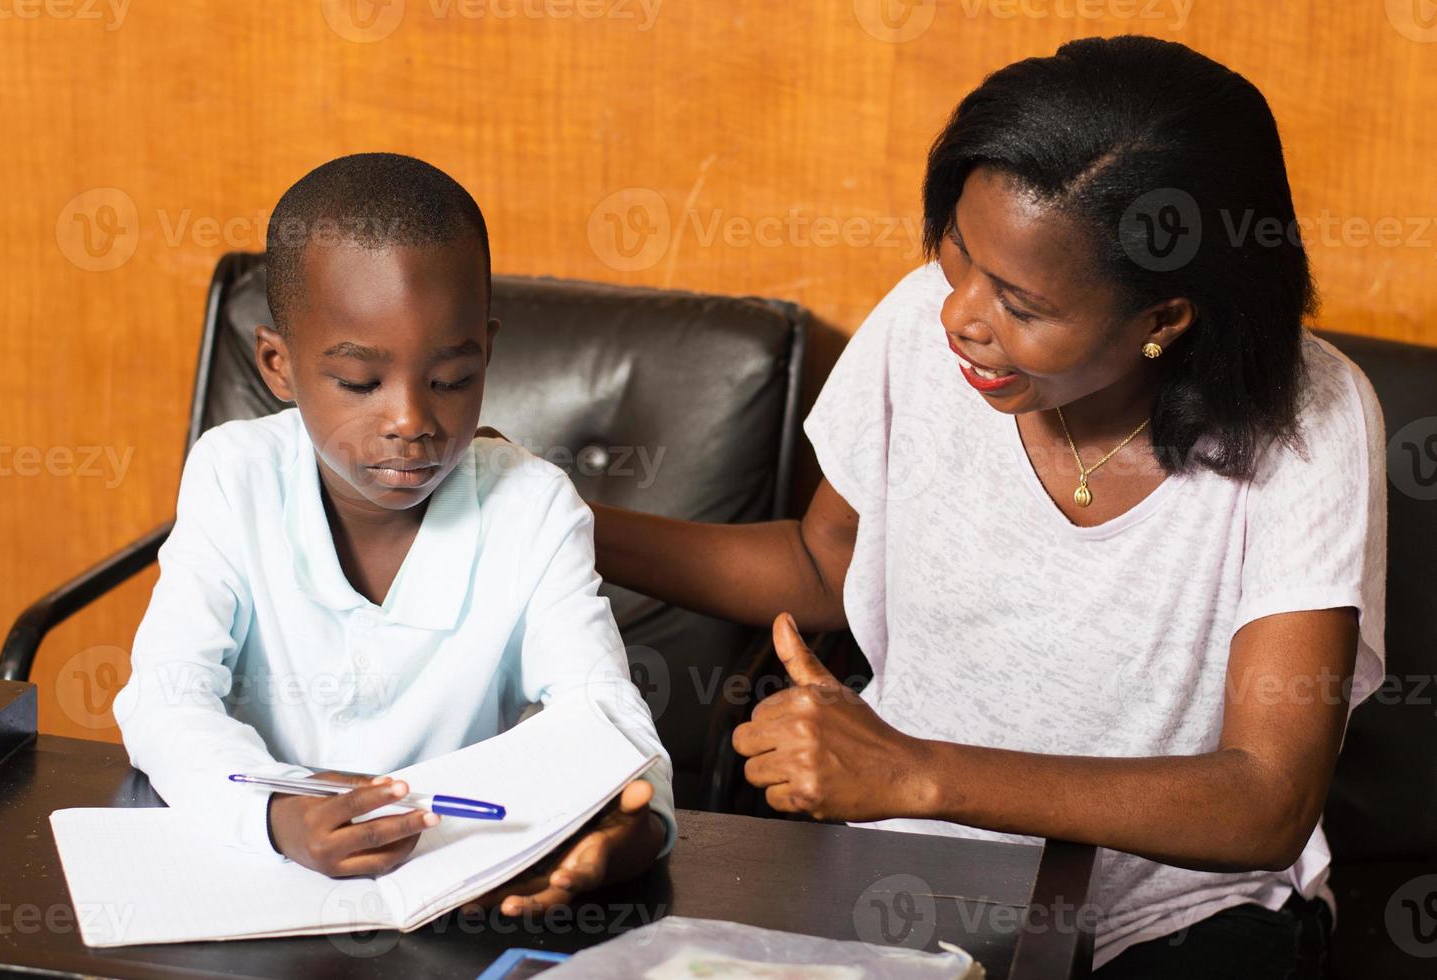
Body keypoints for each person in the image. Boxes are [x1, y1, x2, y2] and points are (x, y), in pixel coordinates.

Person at [587, 37, 1384, 977]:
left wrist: (912, 770)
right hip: (902, 873)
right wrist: (562, 514)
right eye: (957, 255)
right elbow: (824, 567)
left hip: (1176, 920)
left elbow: (1267, 798)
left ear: (1165, 319)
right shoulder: (925, 330)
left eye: (1020, 301)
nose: (959, 316)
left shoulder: (1313, 419)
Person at [114, 153, 673, 916]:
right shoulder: (233, 476)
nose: (412, 420)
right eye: (358, 383)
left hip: (457, 901)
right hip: (258, 888)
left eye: (450, 380)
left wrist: (630, 829)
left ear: (487, 351)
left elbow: (602, 711)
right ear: (278, 365)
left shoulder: (532, 506)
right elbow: (165, 698)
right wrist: (276, 815)